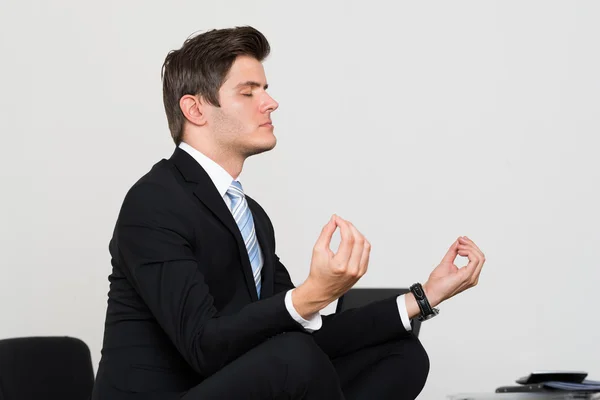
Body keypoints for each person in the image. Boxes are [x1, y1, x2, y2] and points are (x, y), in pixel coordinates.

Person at [91, 26, 486, 400]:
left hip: (225, 382)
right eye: (248, 93)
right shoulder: (155, 201)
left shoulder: (250, 216)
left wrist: (424, 296)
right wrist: (308, 296)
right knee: (292, 357)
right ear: (195, 109)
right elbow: (203, 346)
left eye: (265, 89)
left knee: (400, 355)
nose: (270, 102)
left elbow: (296, 328)